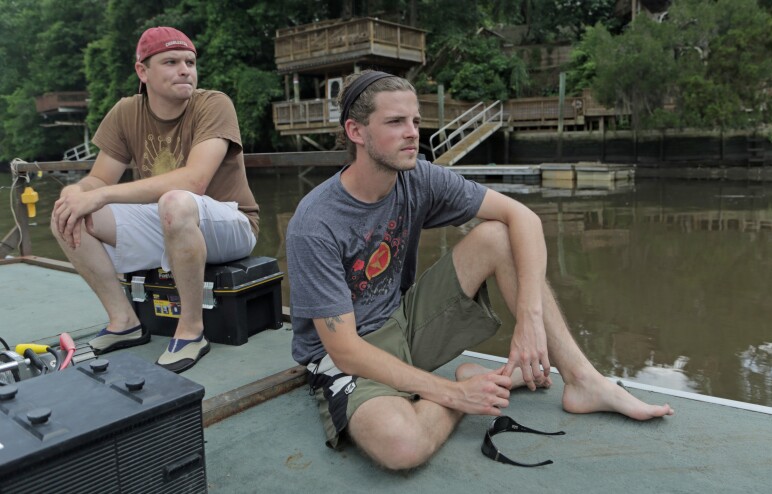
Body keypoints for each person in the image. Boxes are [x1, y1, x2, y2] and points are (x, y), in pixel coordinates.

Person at [286, 70, 673, 470]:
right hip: (348, 355)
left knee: (498, 237)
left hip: (403, 322)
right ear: (356, 131)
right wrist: (457, 395)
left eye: (416, 121)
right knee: (401, 447)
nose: (412, 133)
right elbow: (345, 349)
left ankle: (583, 381)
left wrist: (528, 318)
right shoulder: (315, 223)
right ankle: (472, 384)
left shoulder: (417, 178)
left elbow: (523, 217)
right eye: (395, 122)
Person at [51, 27, 259, 373]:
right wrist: (74, 194)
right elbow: (99, 178)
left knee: (175, 200)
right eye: (171, 61)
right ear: (142, 71)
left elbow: (195, 181)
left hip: (230, 222)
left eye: (190, 62)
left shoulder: (214, 103)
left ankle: (192, 330)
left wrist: (100, 194)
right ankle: (124, 321)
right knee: (66, 215)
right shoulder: (126, 112)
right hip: (169, 220)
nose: (185, 70)